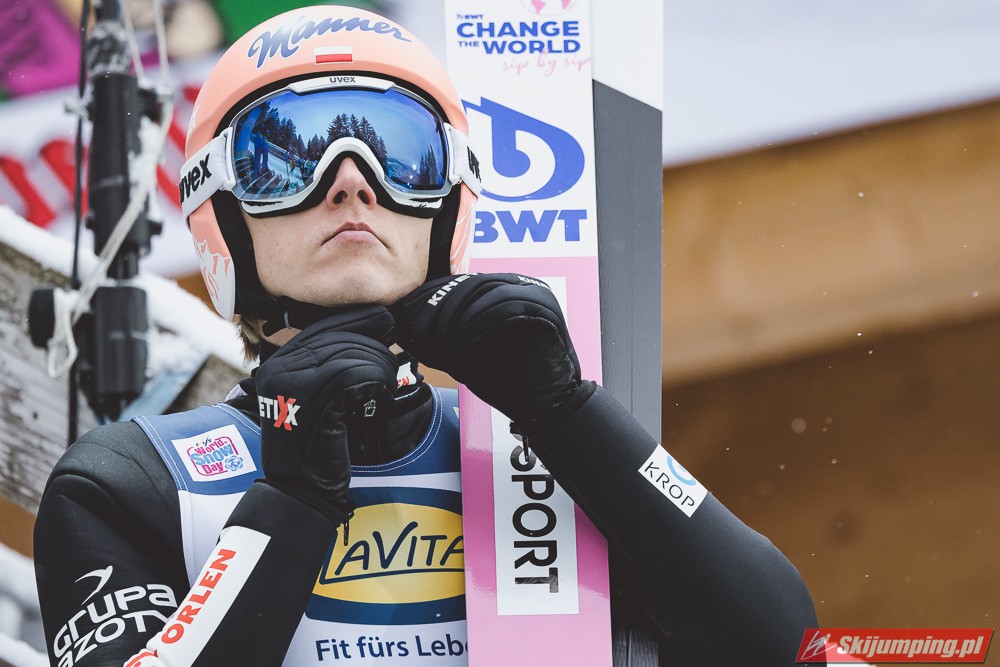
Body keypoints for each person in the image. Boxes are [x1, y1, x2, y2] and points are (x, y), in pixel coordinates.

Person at [33, 6, 822, 667]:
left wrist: (568, 412)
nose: (351, 180)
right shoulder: (131, 481)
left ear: (448, 207)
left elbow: (785, 647)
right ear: (225, 216)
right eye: (288, 158)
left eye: (400, 154)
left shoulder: (549, 458)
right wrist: (292, 502)